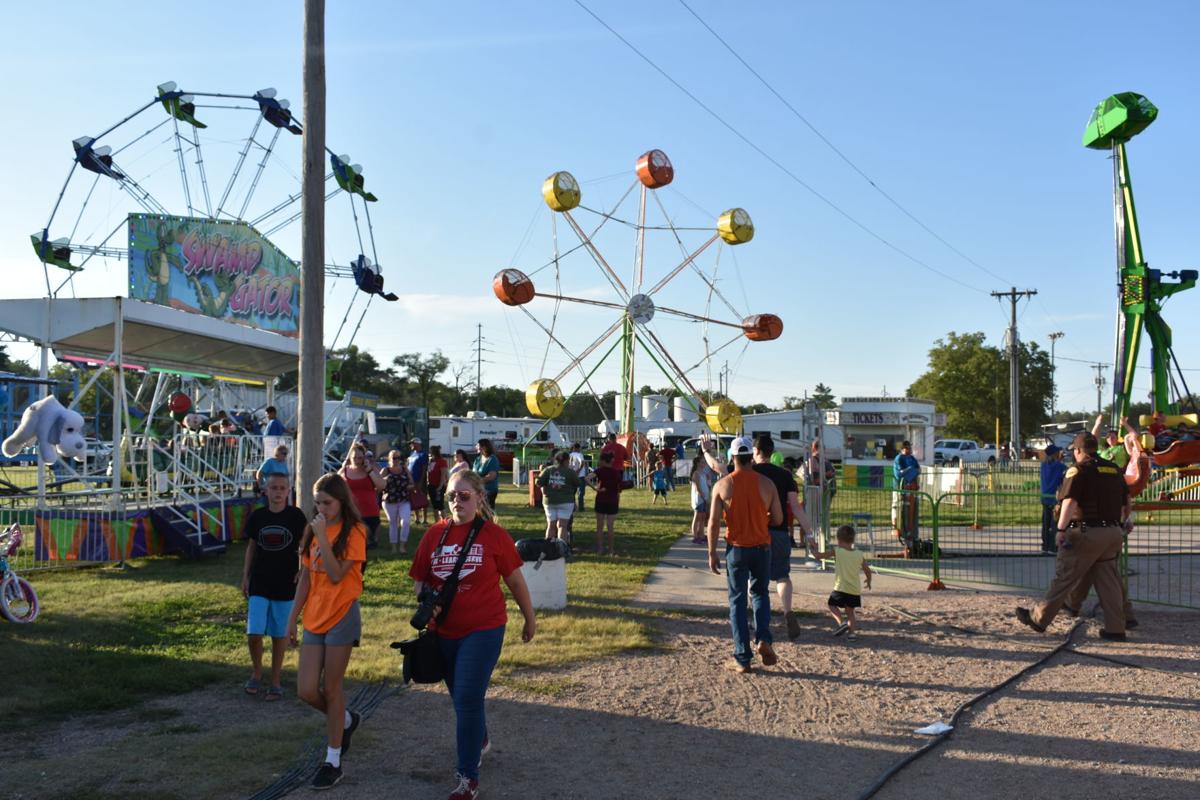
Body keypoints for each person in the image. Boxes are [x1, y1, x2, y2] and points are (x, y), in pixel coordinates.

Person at [409, 470, 536, 800]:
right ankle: (478, 737)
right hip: (444, 631)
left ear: (480, 497)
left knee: (466, 697)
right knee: (462, 699)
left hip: (484, 627)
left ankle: (467, 778)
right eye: (451, 496)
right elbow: (420, 578)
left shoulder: (494, 535)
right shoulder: (434, 534)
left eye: (464, 495)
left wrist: (529, 618)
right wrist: (426, 602)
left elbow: (516, 582)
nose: (456, 501)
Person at [287, 473, 368, 790]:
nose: (321, 508)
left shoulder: (355, 531)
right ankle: (346, 720)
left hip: (342, 614)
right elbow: (306, 578)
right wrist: (292, 618)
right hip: (314, 617)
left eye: (327, 502)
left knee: (332, 689)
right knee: (306, 690)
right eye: (317, 502)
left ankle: (332, 761)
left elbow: (336, 576)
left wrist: (321, 535)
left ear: (342, 500)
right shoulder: (312, 529)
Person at [1016, 432, 1130, 641]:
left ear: (1078, 451)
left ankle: (1038, 618)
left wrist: (1060, 529)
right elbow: (1127, 503)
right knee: (1109, 581)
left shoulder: (1078, 470)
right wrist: (1123, 523)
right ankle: (1116, 628)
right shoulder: (1113, 469)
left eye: (1073, 452)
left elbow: (1069, 502)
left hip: (1087, 533)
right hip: (1113, 532)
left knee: (1065, 576)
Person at [706, 434, 818, 641]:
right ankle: (787, 611)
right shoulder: (785, 476)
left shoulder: (744, 472)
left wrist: (706, 451)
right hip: (780, 533)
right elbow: (795, 508)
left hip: (752, 535)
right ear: (771, 452)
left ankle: (751, 622)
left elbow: (717, 468)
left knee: (752, 583)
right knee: (782, 575)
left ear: (755, 452)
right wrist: (809, 533)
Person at [706, 436, 783, 674]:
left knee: (737, 601)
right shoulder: (767, 484)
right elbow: (779, 519)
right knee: (760, 594)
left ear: (732, 457)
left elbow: (713, 523)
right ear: (752, 456)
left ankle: (742, 657)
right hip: (762, 547)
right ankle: (763, 639)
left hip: (736, 549)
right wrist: (762, 518)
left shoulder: (723, 485)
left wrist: (711, 553)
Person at [241, 473, 306, 700]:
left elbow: (305, 545)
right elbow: (251, 547)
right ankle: (257, 671)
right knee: (254, 632)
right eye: (273, 488)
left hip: (286, 582)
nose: (278, 492)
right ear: (265, 491)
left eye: (282, 488)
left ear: (289, 491)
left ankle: (275, 679)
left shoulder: (296, 516)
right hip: (260, 580)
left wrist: (302, 569)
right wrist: (245, 576)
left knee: (280, 634)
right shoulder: (258, 517)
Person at [811, 524, 873, 640]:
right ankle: (852, 634)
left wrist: (814, 551)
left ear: (839, 540)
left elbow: (819, 556)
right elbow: (867, 570)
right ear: (852, 540)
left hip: (841, 588)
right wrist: (868, 581)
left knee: (832, 604)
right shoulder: (859, 554)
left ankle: (841, 622)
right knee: (850, 613)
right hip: (854, 590)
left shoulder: (838, 551)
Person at [340, 443, 385, 549]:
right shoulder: (345, 470)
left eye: (360, 458)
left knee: (367, 545)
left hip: (370, 512)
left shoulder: (370, 469)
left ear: (364, 458)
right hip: (351, 513)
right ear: (350, 458)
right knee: (352, 545)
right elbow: (335, 486)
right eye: (354, 457)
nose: (357, 460)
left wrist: (369, 470)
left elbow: (382, 485)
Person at [536, 450, 579, 543]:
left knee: (551, 525)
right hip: (566, 502)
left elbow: (538, 482)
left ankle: (548, 549)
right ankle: (561, 550)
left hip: (549, 501)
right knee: (562, 526)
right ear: (566, 460)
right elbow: (577, 483)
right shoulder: (570, 472)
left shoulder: (548, 470)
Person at [589, 450, 624, 556]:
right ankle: (611, 550)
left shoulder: (599, 470)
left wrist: (595, 489)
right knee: (610, 527)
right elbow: (619, 488)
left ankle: (600, 549)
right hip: (613, 500)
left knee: (599, 527)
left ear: (604, 461)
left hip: (601, 499)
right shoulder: (616, 472)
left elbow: (587, 478)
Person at [381, 449, 414, 555]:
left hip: (403, 500)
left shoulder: (405, 469)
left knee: (406, 522)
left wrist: (408, 487)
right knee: (393, 523)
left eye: (399, 458)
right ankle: (394, 547)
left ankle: (402, 545)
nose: (396, 460)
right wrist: (386, 480)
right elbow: (378, 484)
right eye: (394, 457)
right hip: (389, 500)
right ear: (389, 458)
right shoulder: (386, 470)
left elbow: (412, 483)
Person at [892, 440, 920, 553]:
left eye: (910, 447)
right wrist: (910, 471)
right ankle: (900, 531)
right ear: (902, 448)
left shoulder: (912, 459)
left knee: (912, 514)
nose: (909, 450)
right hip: (900, 489)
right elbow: (900, 473)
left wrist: (911, 472)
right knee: (901, 512)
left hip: (912, 489)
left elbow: (918, 469)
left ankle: (912, 537)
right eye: (907, 448)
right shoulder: (899, 458)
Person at [1039, 443, 1067, 554]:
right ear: (1054, 454)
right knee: (1054, 523)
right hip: (1054, 497)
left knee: (1045, 522)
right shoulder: (1059, 466)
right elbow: (1066, 471)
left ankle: (1045, 545)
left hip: (1044, 496)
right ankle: (1052, 546)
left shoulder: (1043, 465)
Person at [689, 455, 717, 544]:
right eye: (702, 462)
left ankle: (701, 534)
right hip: (699, 499)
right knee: (697, 517)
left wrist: (709, 480)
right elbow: (698, 488)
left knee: (703, 517)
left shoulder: (704, 474)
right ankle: (695, 536)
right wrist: (703, 497)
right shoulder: (696, 473)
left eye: (704, 462)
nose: (704, 464)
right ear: (697, 463)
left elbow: (708, 486)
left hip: (704, 498)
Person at [472, 439, 501, 510]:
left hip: (489, 490)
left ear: (484, 447)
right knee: (478, 511)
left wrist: (478, 481)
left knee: (488, 512)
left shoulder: (492, 459)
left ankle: (491, 521)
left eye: (478, 445)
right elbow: (473, 472)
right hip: (477, 490)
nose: (476, 447)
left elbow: (492, 476)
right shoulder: (478, 459)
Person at [408, 437, 430, 525]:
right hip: (411, 480)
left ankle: (424, 519)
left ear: (417, 444)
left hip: (419, 479)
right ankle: (417, 518)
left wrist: (421, 481)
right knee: (414, 498)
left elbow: (424, 468)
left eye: (412, 443)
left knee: (422, 498)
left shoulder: (423, 454)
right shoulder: (412, 454)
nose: (411, 445)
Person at [427, 445, 449, 521]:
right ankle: (437, 522)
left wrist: (440, 486)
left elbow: (443, 475)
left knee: (440, 505)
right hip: (431, 485)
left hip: (438, 486)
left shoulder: (442, 461)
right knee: (434, 506)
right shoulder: (431, 461)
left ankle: (445, 521)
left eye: (430, 451)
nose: (429, 453)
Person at [569, 443, 590, 511]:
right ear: (577, 448)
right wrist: (578, 471)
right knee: (581, 493)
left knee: (572, 493)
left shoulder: (570, 455)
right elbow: (582, 462)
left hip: (572, 476)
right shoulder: (579, 454)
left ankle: (573, 507)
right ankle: (581, 508)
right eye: (580, 448)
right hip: (580, 476)